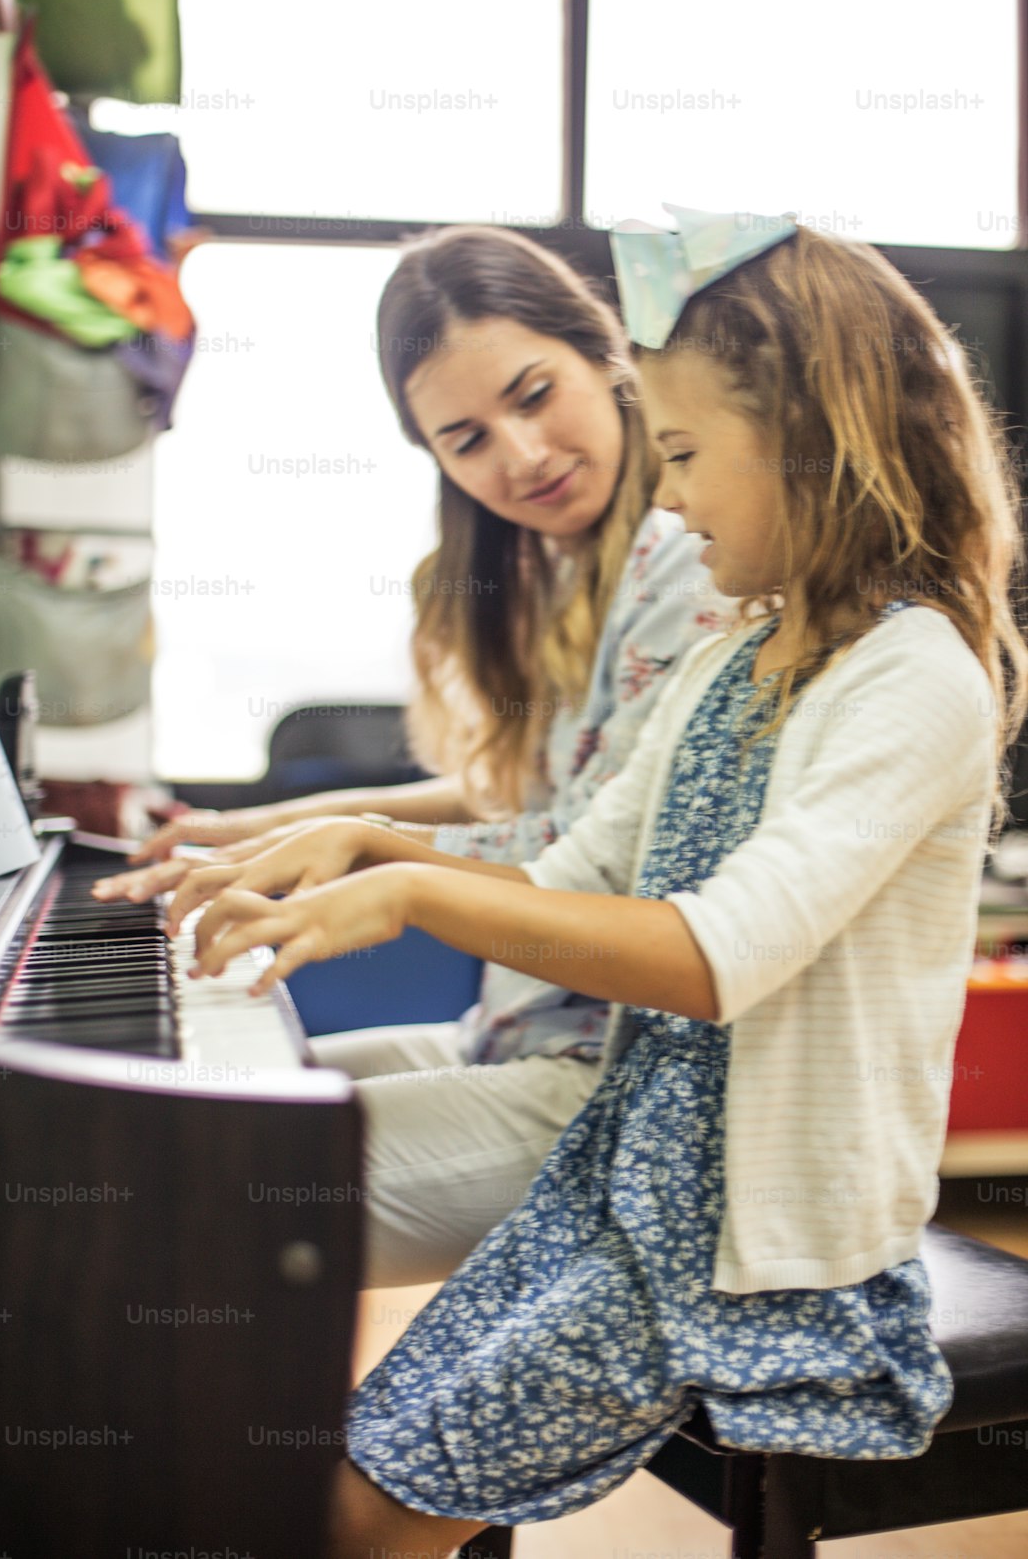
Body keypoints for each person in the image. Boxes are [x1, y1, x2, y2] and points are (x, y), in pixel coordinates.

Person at [167, 209, 1028, 1559]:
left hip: (754, 1240)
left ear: (811, 434)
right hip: (624, 1175)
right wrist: (359, 851)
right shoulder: (730, 662)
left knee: (336, 1512)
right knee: (338, 1462)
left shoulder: (914, 676)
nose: (665, 499)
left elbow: (716, 954)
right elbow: (569, 867)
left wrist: (410, 892)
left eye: (682, 453)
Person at [93, 224, 731, 1284]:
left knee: (190, 1190)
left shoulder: (690, 558)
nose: (520, 456)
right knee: (170, 1117)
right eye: (467, 437)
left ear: (607, 355)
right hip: (517, 1027)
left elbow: (590, 857)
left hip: (621, 1069)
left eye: (534, 395)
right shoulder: (561, 569)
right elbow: (532, 792)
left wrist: (365, 849)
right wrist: (261, 827)